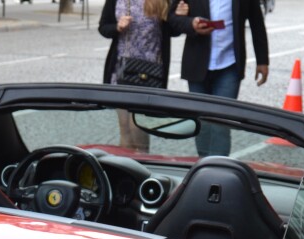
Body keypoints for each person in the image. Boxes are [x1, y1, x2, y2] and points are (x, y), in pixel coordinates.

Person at [168, 0, 269, 156]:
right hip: (197, 65)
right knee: (201, 123)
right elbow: (172, 18)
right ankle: (203, 165)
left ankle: (219, 170)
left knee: (221, 123)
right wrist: (191, 24)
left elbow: (256, 21)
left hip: (229, 66)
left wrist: (262, 60)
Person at [99, 0, 172, 151]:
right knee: (125, 129)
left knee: (137, 126)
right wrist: (117, 27)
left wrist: (181, 13)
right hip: (122, 69)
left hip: (149, 72)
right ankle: (126, 170)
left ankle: (143, 165)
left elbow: (174, 28)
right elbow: (104, 27)